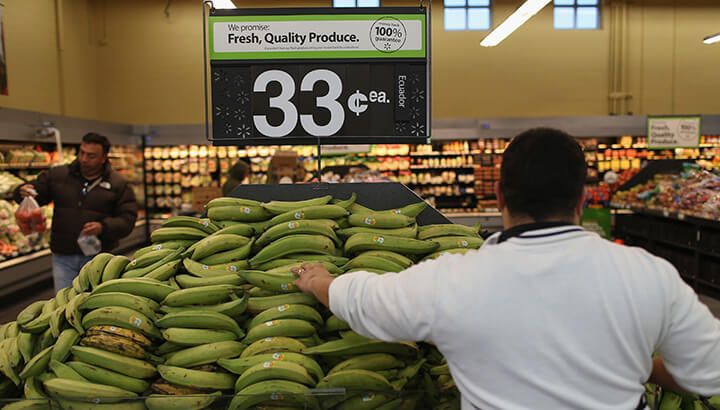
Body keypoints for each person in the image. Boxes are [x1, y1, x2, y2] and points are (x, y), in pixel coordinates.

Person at [292, 128, 720, 409]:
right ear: (584, 200)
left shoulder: (454, 279)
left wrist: (321, 282)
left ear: (499, 196)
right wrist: (632, 361)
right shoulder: (649, 275)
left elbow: (368, 302)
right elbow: (709, 371)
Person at [15, 133, 138, 292]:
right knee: (64, 304)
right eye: (82, 153)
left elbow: (127, 219)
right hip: (63, 256)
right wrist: (22, 191)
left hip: (100, 258)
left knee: (96, 300)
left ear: (103, 157)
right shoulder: (58, 175)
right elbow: (35, 192)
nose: (84, 159)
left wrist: (103, 227)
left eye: (91, 155)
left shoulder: (118, 184)